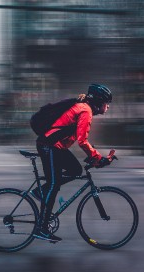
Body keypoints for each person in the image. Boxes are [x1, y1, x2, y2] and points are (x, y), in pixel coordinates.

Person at [32, 83, 113, 242]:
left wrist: (94, 156)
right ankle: (41, 228)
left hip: (55, 145)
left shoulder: (83, 107)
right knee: (54, 185)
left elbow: (78, 138)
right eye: (106, 103)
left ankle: (43, 191)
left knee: (75, 170)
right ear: (98, 102)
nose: (108, 106)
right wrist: (97, 157)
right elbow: (82, 141)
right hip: (49, 145)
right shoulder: (86, 110)